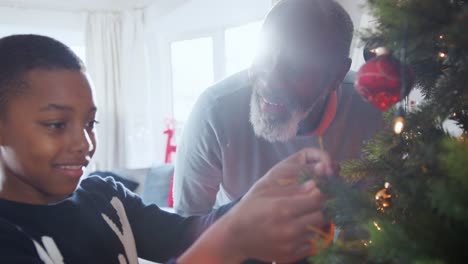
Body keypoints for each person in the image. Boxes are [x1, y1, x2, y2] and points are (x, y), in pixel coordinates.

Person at [0, 34, 336, 264]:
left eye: (90, 124)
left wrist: (261, 195)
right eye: (56, 125)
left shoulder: (104, 197)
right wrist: (228, 242)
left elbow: (189, 233)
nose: (85, 144)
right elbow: (214, 242)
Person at [173, 0, 384, 216]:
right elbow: (186, 226)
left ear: (337, 75)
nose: (269, 81)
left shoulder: (372, 111)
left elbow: (374, 220)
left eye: (295, 67)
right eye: (264, 56)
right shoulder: (214, 112)